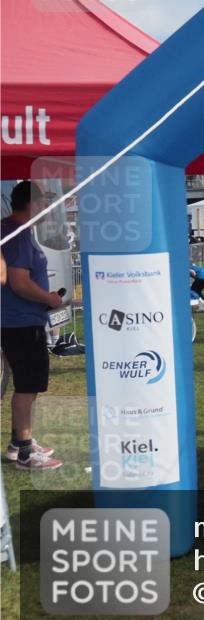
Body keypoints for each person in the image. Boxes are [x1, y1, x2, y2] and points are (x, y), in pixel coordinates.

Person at [1, 181, 64, 470]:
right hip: (22, 321)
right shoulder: (17, 234)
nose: (46, 209)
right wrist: (49, 298)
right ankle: (26, 453)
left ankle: (18, 443)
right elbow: (18, 282)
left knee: (26, 385)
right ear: (32, 204)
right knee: (28, 387)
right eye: (43, 203)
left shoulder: (10, 230)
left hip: (17, 320)